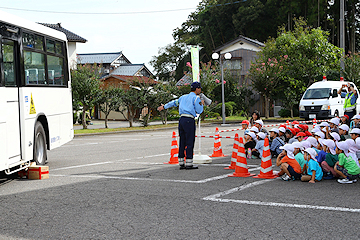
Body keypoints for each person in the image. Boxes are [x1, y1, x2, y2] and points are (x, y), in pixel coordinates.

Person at [157, 81, 204, 170]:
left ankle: (181, 162)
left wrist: (164, 107)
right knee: (190, 141)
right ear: (197, 89)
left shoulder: (183, 97)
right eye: (200, 88)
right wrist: (202, 104)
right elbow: (199, 111)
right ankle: (189, 163)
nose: (200, 90)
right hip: (189, 120)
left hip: (181, 120)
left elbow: (174, 103)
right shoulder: (196, 98)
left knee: (182, 141)